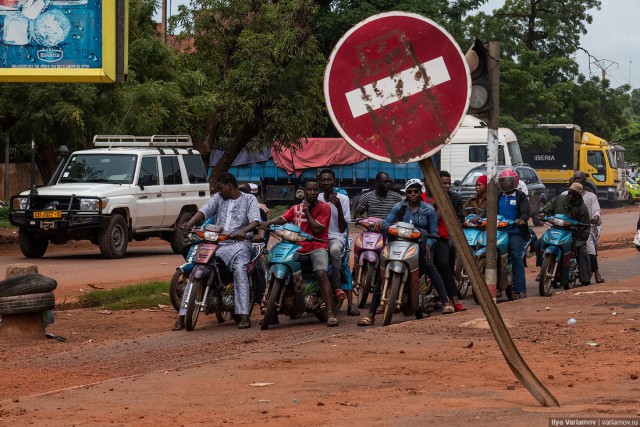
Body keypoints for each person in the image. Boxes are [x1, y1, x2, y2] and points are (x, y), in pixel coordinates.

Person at [357, 179, 454, 326]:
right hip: (398, 244)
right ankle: (371, 314)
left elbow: (434, 232)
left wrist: (428, 244)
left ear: (420, 192)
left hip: (419, 246)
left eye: (416, 191)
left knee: (429, 265)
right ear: (406, 193)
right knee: (381, 274)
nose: (413, 194)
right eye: (410, 192)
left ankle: (446, 302)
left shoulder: (428, 210)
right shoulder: (399, 207)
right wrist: (380, 225)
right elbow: (388, 222)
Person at [173, 173, 262, 331]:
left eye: (220, 188)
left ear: (229, 186)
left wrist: (244, 231)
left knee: (239, 270)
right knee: (196, 269)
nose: (218, 191)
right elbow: (204, 211)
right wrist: (190, 223)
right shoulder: (218, 198)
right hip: (218, 242)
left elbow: (256, 220)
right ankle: (181, 316)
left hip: (240, 244)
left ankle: (243, 315)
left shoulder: (249, 199)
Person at [261, 178, 339, 327]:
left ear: (319, 192)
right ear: (303, 191)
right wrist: (269, 223)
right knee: (275, 263)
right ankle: (272, 310)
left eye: (315, 190)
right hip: (296, 245)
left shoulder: (324, 208)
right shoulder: (296, 208)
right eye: (309, 189)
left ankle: (330, 313)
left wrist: (307, 211)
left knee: (321, 273)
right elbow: (284, 218)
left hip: (317, 245)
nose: (312, 192)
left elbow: (317, 229)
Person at [422, 171, 467, 312]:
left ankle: (454, 301)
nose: (446, 186)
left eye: (448, 183)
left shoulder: (445, 199)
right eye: (443, 183)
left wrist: (439, 203)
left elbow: (434, 221)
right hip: (421, 237)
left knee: (443, 265)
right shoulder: (419, 197)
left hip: (440, 237)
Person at [317, 169, 358, 315]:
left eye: (329, 180)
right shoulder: (316, 198)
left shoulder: (343, 199)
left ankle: (344, 296)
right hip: (318, 237)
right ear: (319, 182)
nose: (327, 183)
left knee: (339, 258)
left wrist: (338, 206)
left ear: (334, 181)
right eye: (324, 180)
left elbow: (342, 228)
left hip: (337, 237)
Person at [538, 182, 591, 286]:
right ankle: (542, 269)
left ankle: (585, 278)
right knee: (538, 243)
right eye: (570, 193)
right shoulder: (559, 199)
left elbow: (585, 229)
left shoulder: (582, 208)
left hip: (573, 234)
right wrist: (543, 213)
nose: (571, 196)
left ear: (579, 196)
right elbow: (547, 208)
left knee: (582, 251)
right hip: (555, 230)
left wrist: (577, 242)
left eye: (574, 194)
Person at [562, 172, 604, 283]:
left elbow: (596, 211)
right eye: (575, 178)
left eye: (579, 179)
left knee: (588, 243)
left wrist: (595, 217)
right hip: (566, 226)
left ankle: (596, 272)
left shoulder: (591, 196)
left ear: (584, 181)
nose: (577, 180)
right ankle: (543, 270)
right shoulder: (564, 195)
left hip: (585, 228)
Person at [497, 168, 531, 299]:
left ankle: (520, 289)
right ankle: (496, 287)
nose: (505, 183)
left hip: (515, 231)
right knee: (493, 256)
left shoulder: (520, 196)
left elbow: (525, 211)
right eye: (502, 181)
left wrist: (522, 219)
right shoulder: (498, 196)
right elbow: (489, 211)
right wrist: (480, 217)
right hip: (499, 231)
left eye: (508, 181)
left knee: (516, 256)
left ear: (515, 182)